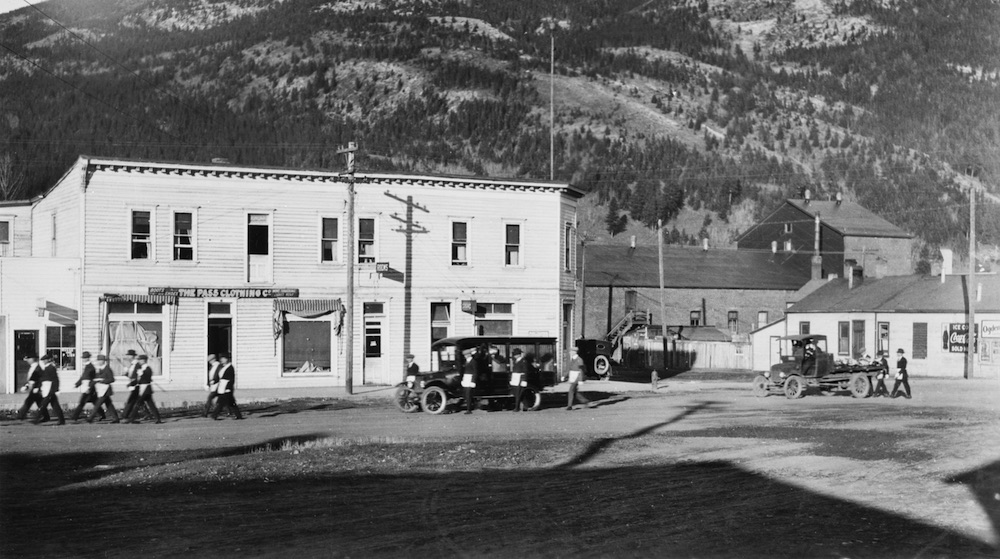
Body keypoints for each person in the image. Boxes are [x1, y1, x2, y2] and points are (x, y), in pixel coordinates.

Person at [124, 354, 162, 424]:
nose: (139, 361)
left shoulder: (147, 368)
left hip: (146, 388)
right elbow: (138, 380)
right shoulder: (140, 368)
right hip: (141, 388)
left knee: (138, 403)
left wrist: (143, 374)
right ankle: (158, 418)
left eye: (140, 360)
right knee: (150, 404)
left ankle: (131, 419)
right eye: (139, 360)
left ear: (144, 360)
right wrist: (131, 383)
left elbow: (147, 379)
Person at [32, 354, 66, 425]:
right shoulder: (46, 368)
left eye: (45, 360)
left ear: (48, 360)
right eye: (43, 360)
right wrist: (38, 387)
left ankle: (36, 419)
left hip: (50, 389)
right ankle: (61, 420)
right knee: (55, 406)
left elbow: (55, 379)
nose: (44, 361)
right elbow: (42, 379)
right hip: (46, 388)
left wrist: (56, 389)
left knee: (43, 404)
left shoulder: (51, 368)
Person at [70, 351, 104, 422]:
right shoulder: (86, 366)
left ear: (88, 358)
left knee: (82, 402)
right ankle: (102, 414)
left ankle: (74, 417)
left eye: (85, 358)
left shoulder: (91, 367)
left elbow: (92, 379)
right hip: (86, 387)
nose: (84, 359)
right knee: (94, 402)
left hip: (89, 388)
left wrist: (89, 387)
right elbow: (83, 377)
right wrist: (77, 384)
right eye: (83, 358)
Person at [16, 355, 50, 422]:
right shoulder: (33, 367)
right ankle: (46, 416)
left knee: (29, 401)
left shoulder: (36, 368)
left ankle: (21, 415)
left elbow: (36, 378)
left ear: (32, 359)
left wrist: (35, 387)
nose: (27, 361)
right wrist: (27, 385)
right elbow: (31, 378)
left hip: (36, 388)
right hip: (34, 388)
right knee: (38, 402)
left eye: (28, 359)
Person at [87, 354, 120, 423]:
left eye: (100, 360)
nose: (99, 362)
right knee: (109, 404)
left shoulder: (107, 369)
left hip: (106, 389)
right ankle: (116, 418)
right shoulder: (99, 369)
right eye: (98, 360)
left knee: (98, 404)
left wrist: (102, 380)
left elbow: (112, 379)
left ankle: (90, 418)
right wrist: (91, 384)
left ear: (104, 361)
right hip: (100, 389)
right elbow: (95, 378)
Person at [211, 353, 244, 420]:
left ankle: (215, 415)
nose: (222, 360)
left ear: (227, 359)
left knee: (221, 402)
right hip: (222, 387)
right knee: (231, 403)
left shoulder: (230, 367)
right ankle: (238, 415)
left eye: (223, 358)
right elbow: (219, 376)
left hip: (227, 388)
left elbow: (231, 379)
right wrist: (214, 381)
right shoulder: (222, 367)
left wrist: (228, 387)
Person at [461, 347, 479, 414]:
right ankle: (469, 407)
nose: (465, 356)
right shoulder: (467, 361)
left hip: (470, 379)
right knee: (466, 394)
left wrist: (473, 381)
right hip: (466, 379)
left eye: (466, 355)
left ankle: (469, 409)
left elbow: (475, 372)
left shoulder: (473, 362)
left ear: (469, 355)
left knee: (468, 395)